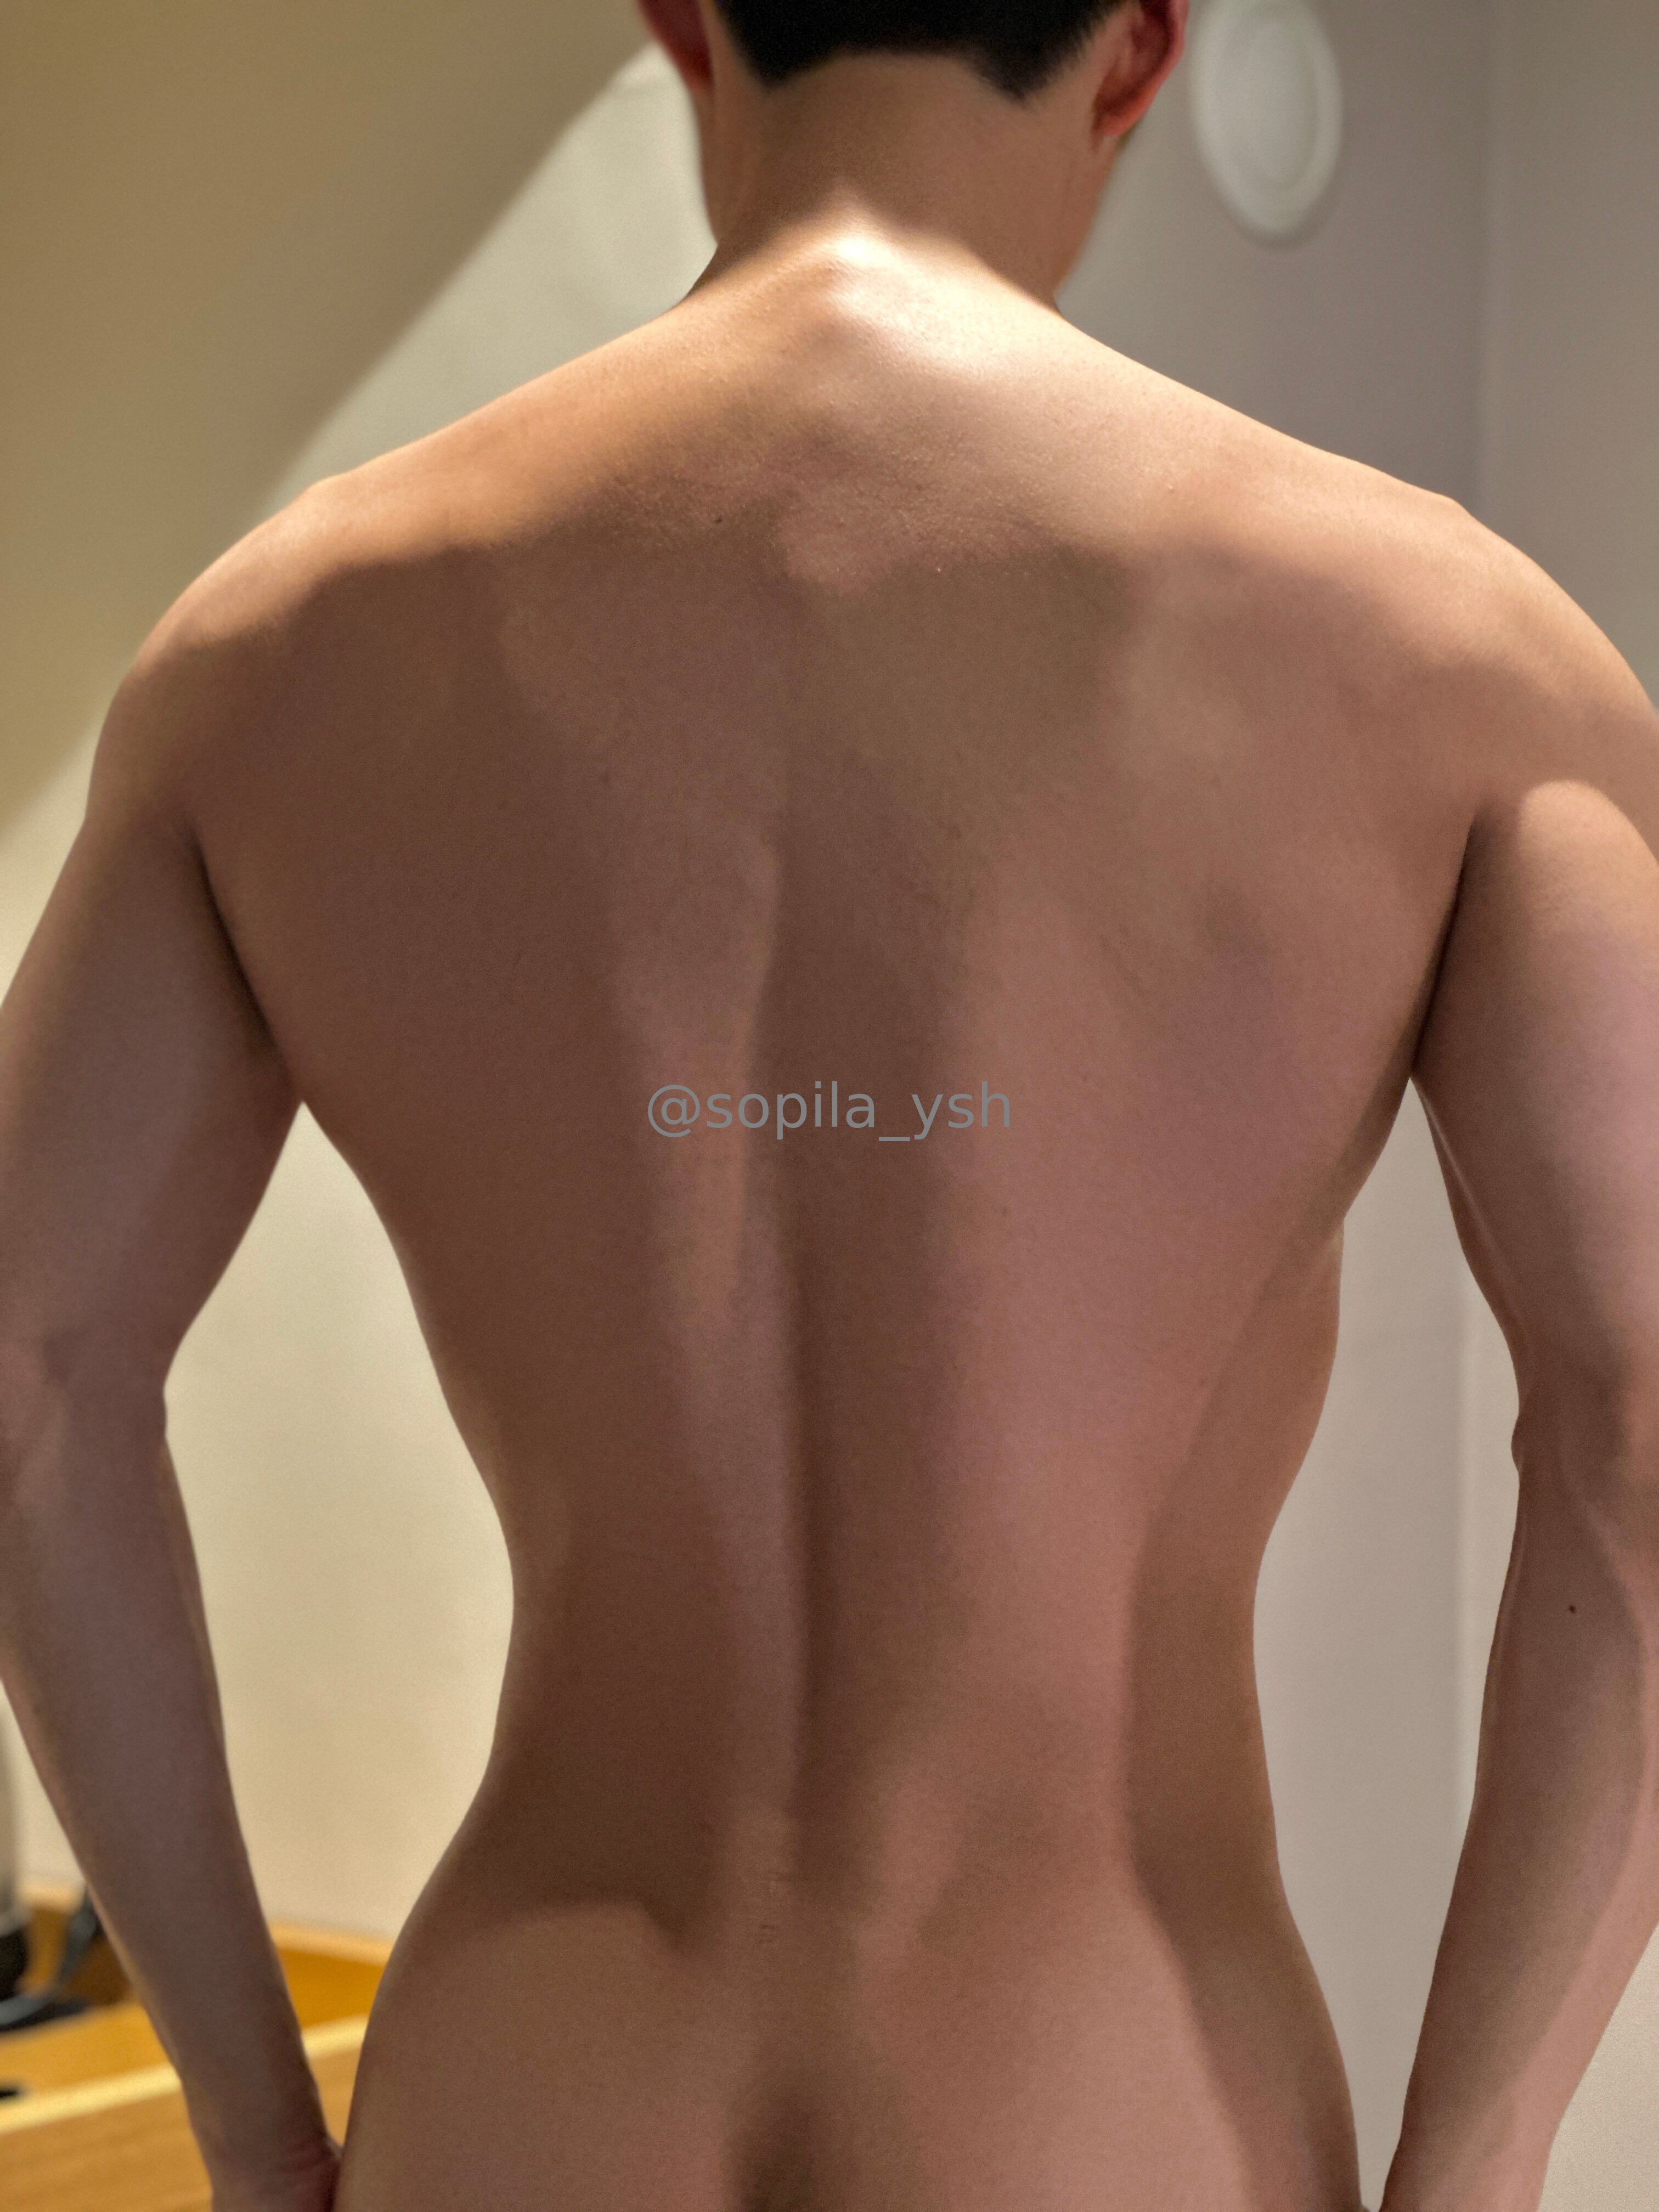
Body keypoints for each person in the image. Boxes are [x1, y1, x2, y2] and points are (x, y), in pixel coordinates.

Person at [2, 1, 1657, 2206]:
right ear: (1140, 51)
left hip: (526, 2094)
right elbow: (1640, 1433)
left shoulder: (278, 651)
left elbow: (29, 1376)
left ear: (684, 22)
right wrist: (1480, 2170)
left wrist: (248, 2125)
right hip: (1109, 2103)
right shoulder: (1451, 654)